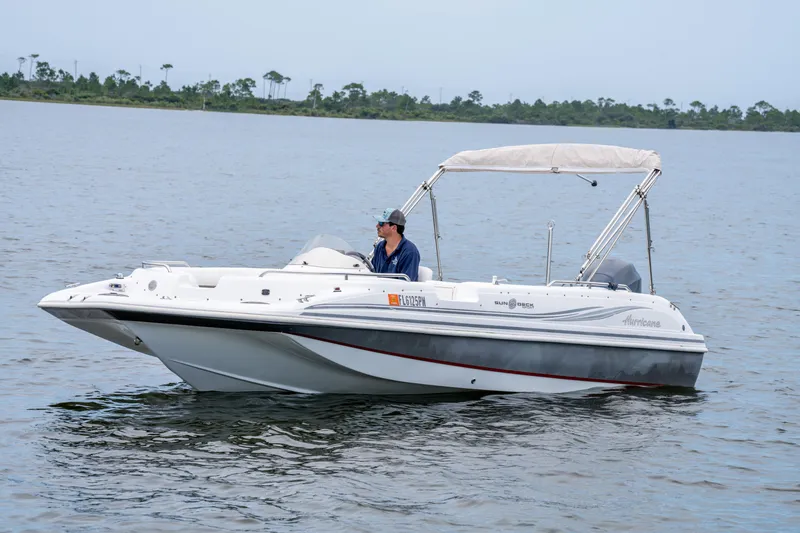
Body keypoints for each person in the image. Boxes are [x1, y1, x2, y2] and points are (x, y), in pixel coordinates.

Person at [371, 208, 420, 281]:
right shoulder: (379, 247)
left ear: (394, 228)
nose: (377, 226)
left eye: (381, 223)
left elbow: (406, 286)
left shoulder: (410, 252)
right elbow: (371, 273)